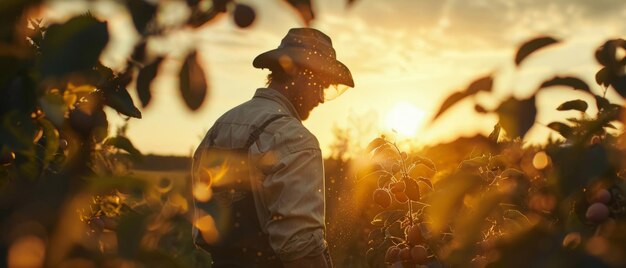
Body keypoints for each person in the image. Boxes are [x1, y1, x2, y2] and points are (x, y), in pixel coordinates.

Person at [191, 28, 354, 268]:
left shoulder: (219, 128)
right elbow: (302, 252)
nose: (320, 98)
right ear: (297, 72)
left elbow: (204, 229)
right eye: (319, 84)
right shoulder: (295, 138)